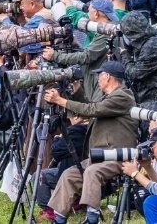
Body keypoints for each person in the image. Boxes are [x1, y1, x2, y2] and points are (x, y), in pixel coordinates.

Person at [44, 61, 137, 224]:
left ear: (107, 77)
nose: (97, 80)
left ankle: (92, 219)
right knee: (69, 175)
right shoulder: (109, 97)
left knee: (92, 171)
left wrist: (60, 100)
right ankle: (59, 218)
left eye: (99, 76)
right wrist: (76, 88)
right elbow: (90, 106)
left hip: (117, 156)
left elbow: (93, 110)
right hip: (100, 156)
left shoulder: (123, 96)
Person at [42, 0, 118, 102]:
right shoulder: (108, 27)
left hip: (100, 84)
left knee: (95, 110)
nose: (87, 14)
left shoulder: (106, 32)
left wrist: (55, 56)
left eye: (89, 10)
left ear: (96, 13)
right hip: (98, 81)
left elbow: (86, 56)